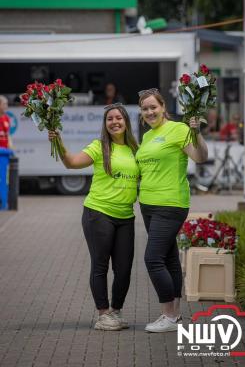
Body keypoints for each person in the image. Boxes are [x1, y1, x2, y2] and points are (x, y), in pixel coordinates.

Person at [48, 104, 139, 330]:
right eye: (110, 119)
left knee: (124, 268)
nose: (115, 122)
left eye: (119, 117)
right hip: (98, 213)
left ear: (126, 121)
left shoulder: (135, 149)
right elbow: (71, 163)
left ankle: (116, 311)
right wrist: (58, 142)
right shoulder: (99, 147)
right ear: (105, 124)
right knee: (100, 265)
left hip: (126, 215)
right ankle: (103, 314)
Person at [136, 88, 208, 333]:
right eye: (145, 108)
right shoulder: (147, 136)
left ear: (163, 107)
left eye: (153, 107)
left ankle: (168, 315)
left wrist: (196, 133)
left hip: (171, 204)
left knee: (152, 258)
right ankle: (175, 317)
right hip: (148, 204)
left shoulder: (178, 129)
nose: (149, 112)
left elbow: (200, 157)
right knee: (168, 258)